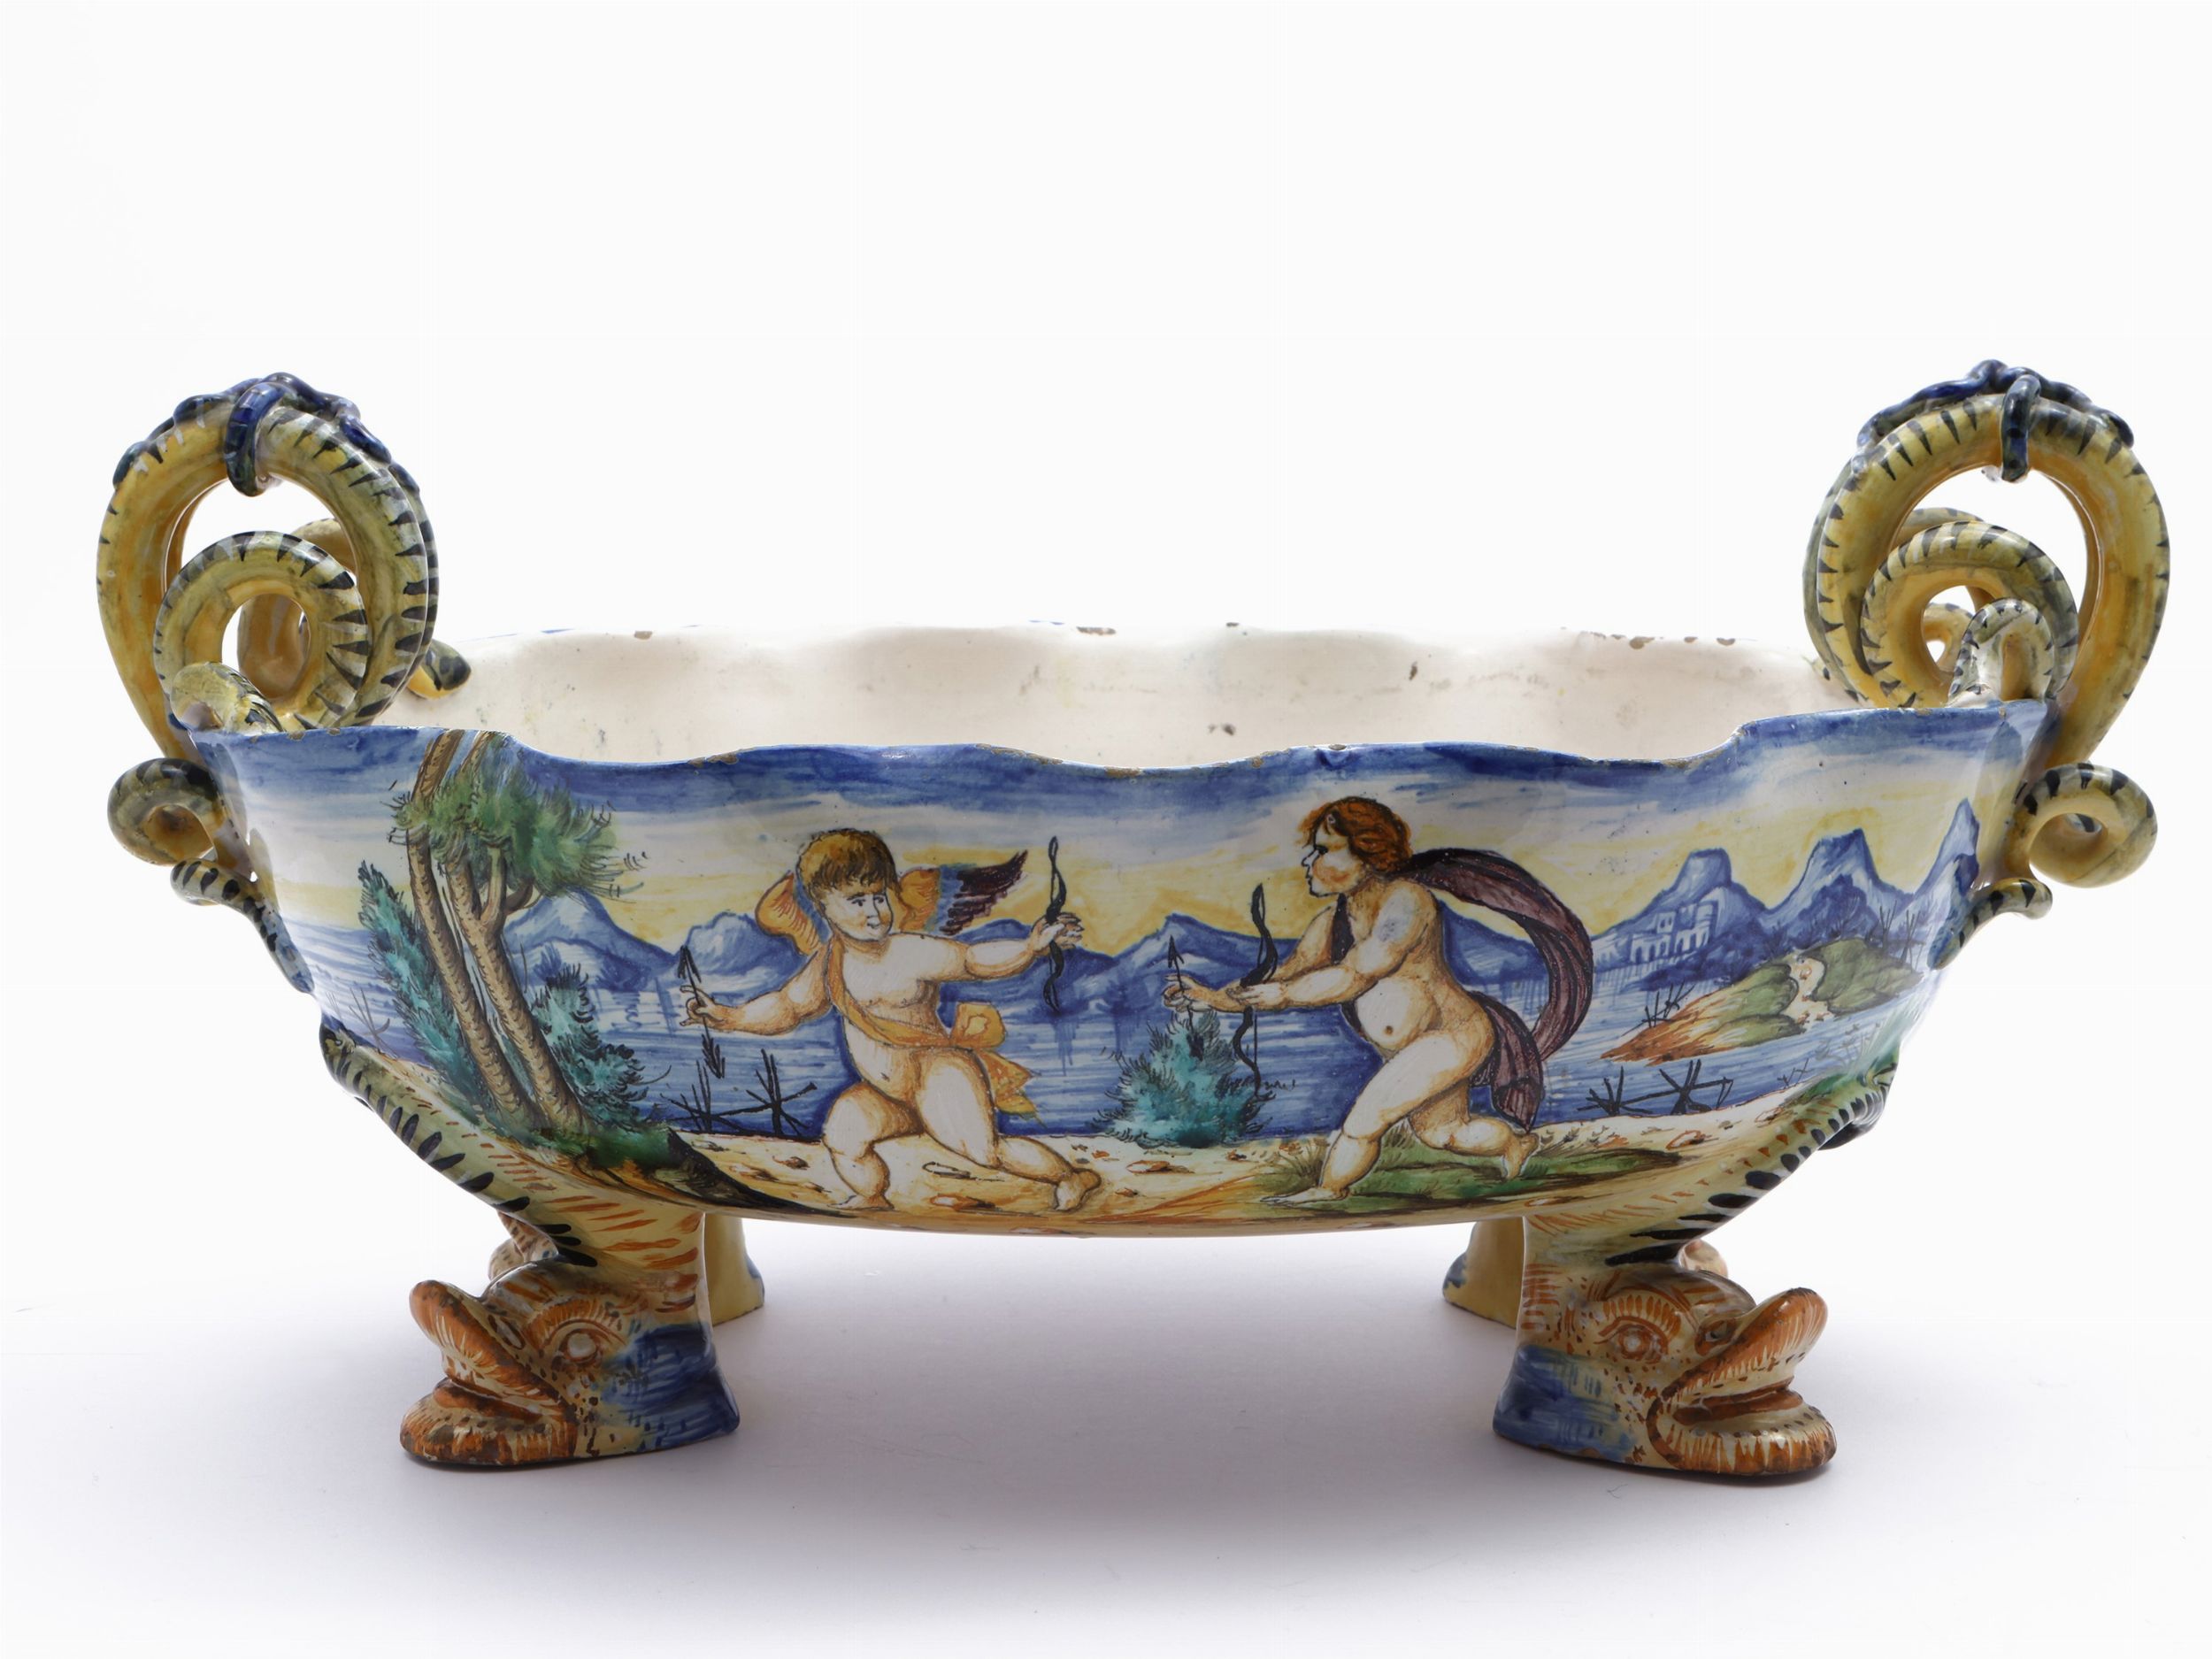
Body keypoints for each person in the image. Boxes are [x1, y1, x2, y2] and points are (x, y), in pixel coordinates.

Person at [1167, 797, 1592, 1204]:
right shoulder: (1332, 921)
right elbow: (1287, 973)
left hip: (1452, 1037)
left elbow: (1357, 974)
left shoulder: (1406, 902)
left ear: (1366, 853)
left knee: (1364, 1121)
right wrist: (1215, 998)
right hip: (1417, 1047)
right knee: (1444, 1134)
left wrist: (1283, 996)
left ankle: (1330, 1189)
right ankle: (1516, 1144)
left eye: (1324, 850)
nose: (1308, 862)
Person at [683, 829, 1100, 1212]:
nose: (874, 912)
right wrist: (729, 1016)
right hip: (887, 1091)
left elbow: (973, 961)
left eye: (878, 897)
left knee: (984, 1151)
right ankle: (873, 1197)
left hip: (936, 1075)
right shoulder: (829, 963)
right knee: (843, 1136)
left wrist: (1030, 948)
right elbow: (788, 1007)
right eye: (857, 901)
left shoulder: (909, 952)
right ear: (824, 907)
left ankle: (1070, 1177)